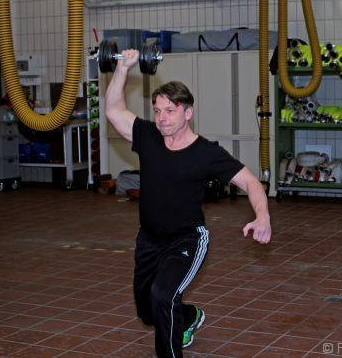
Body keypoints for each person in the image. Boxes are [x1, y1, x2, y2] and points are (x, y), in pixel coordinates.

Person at [104, 49, 272, 357]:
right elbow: (114, 110)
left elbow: (251, 182)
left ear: (188, 113)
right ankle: (190, 316)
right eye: (157, 111)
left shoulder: (206, 153)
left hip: (187, 239)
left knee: (163, 296)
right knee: (148, 311)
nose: (162, 118)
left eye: (170, 111)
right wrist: (123, 68)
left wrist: (262, 216)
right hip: (149, 240)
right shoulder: (149, 137)